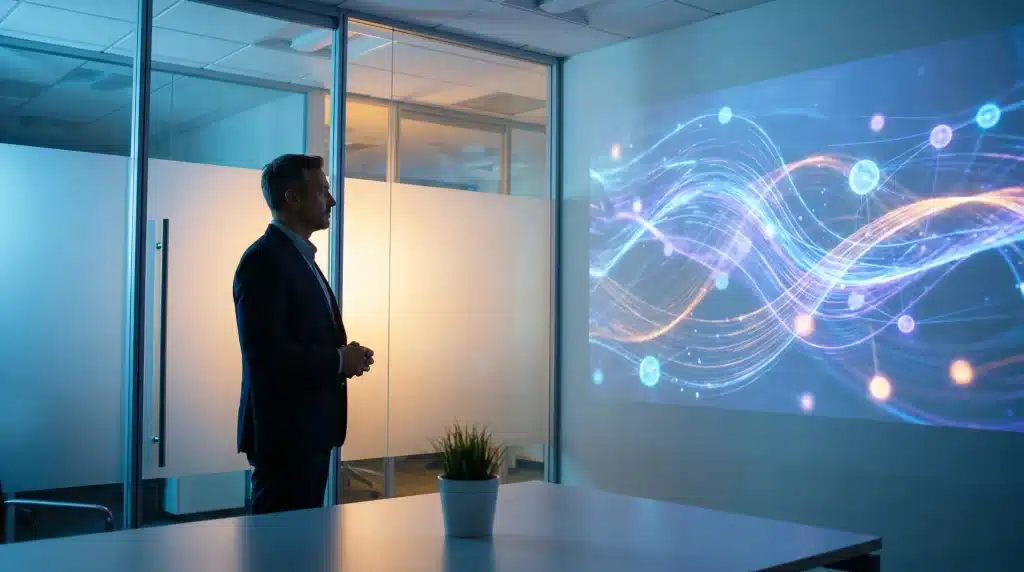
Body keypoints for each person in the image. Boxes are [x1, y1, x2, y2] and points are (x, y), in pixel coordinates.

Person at [233, 153, 373, 515]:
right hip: (287, 435)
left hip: (307, 432)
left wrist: (346, 355)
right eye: (323, 191)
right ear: (293, 198)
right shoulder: (264, 261)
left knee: (298, 545)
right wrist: (339, 360)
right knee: (277, 547)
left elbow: (300, 338)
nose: (332, 200)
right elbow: (268, 357)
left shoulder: (298, 258)